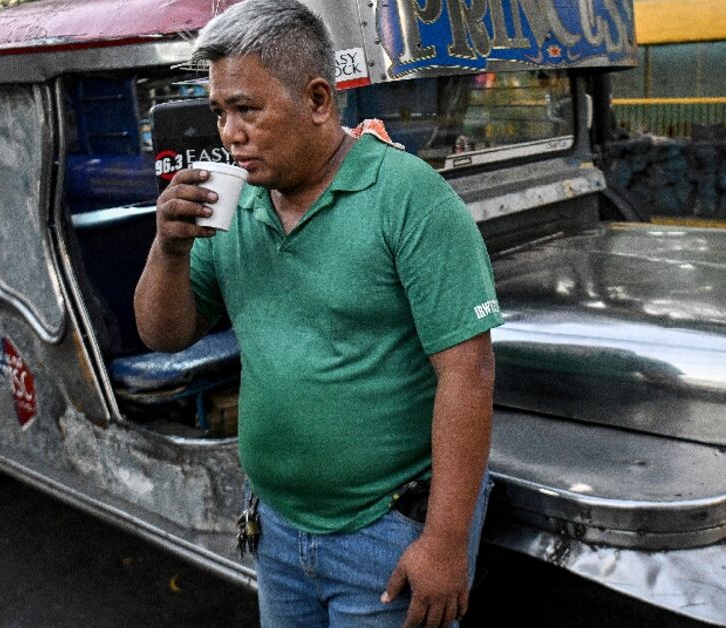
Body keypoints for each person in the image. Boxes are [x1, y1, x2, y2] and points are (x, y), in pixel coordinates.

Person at [133, 1, 502, 625]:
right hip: (277, 528)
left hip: (384, 534)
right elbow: (166, 334)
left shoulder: (407, 197)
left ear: (319, 100)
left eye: (247, 109)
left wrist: (443, 543)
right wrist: (168, 248)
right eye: (220, 113)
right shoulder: (231, 206)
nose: (228, 134)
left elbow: (468, 371)